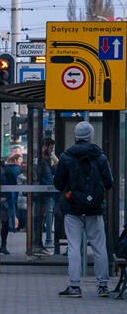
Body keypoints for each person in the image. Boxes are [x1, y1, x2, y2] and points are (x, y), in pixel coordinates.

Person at [54, 121, 115, 298]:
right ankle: (103, 285)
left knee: (74, 246)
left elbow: (58, 183)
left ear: (75, 136)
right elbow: (109, 182)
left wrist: (71, 190)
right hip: (95, 209)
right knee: (99, 247)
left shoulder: (66, 156)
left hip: (72, 208)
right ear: (91, 136)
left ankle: (74, 286)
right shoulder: (100, 156)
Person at [32, 137, 57, 252]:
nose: (52, 151)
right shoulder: (40, 161)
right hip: (42, 195)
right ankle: (37, 244)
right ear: (44, 147)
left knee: (40, 219)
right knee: (39, 219)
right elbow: (45, 179)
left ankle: (38, 243)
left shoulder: (43, 161)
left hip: (42, 194)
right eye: (51, 148)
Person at [0, 152, 23, 255]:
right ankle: (3, 245)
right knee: (4, 223)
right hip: (6, 199)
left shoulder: (2, 169)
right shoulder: (13, 170)